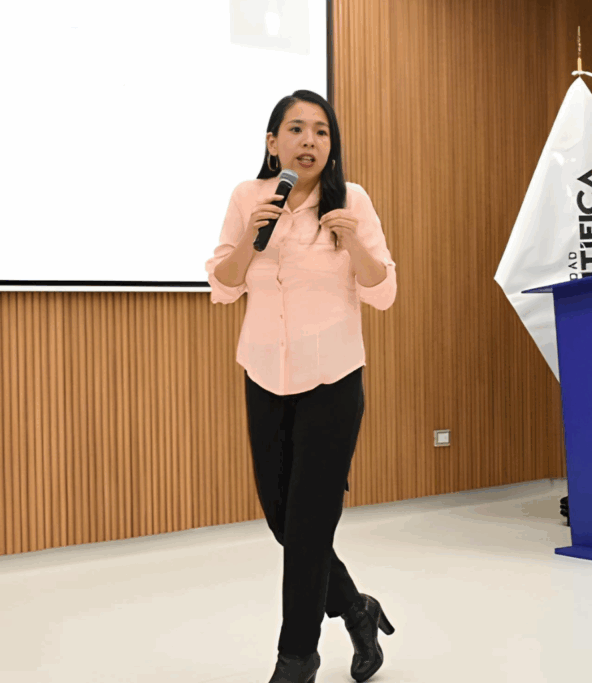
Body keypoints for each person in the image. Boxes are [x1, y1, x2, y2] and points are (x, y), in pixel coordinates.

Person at [205, 90, 397, 683]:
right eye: (295, 129)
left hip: (333, 378)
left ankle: (297, 658)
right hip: (265, 373)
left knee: (310, 522)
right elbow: (223, 287)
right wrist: (250, 236)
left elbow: (383, 292)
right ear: (273, 143)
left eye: (321, 130)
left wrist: (354, 242)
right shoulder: (249, 197)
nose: (309, 140)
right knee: (282, 519)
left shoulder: (352, 201)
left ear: (331, 145)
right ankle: (358, 609)